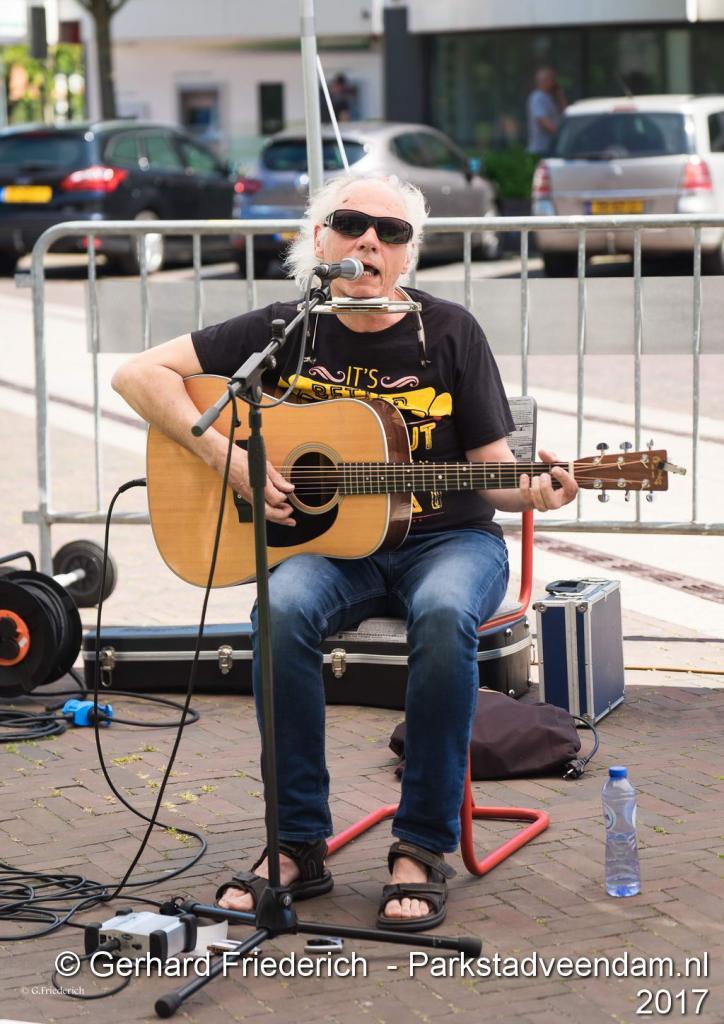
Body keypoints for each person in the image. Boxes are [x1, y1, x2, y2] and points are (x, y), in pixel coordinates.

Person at [111, 172, 578, 931]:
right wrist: (228, 459)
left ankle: (420, 846)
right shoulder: (287, 329)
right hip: (335, 549)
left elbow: (496, 477)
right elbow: (137, 375)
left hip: (450, 541)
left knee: (442, 616)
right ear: (319, 239)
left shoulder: (450, 331)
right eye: (352, 224)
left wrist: (537, 493)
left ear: (408, 254)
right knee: (281, 609)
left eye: (391, 232)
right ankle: (298, 840)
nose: (370, 241)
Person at [527, 67, 567, 156]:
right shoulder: (537, 98)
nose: (554, 82)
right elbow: (543, 121)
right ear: (543, 81)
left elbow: (565, 114)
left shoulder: (551, 98)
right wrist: (564, 134)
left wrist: (561, 96)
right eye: (551, 79)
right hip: (540, 149)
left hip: (551, 147)